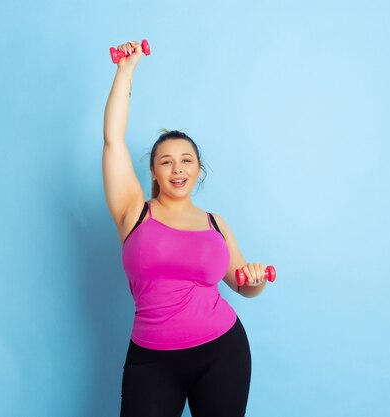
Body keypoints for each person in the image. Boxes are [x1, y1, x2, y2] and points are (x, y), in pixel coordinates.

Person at [103, 40, 270, 417]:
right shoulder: (134, 212)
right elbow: (113, 141)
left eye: (186, 160)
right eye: (166, 161)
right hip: (152, 360)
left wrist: (255, 278)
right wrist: (125, 73)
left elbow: (244, 285)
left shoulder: (215, 224)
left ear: (198, 170)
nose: (177, 169)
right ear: (153, 172)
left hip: (222, 352)